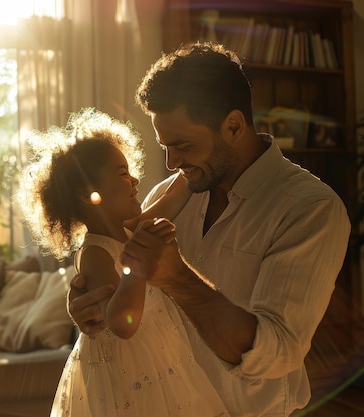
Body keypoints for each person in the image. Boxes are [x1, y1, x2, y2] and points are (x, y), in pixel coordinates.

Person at [67, 42, 351, 417]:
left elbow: (278, 352)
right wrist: (92, 302)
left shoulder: (310, 209)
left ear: (233, 126)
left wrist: (178, 277)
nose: (171, 162)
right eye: (164, 146)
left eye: (182, 145)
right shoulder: (168, 195)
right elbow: (119, 272)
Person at [17, 108, 230, 416]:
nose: (134, 179)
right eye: (121, 174)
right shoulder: (95, 253)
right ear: (88, 193)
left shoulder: (131, 230)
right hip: (134, 379)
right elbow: (121, 323)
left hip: (167, 362)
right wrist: (137, 265)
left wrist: (198, 163)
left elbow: (174, 196)